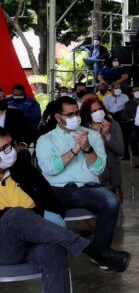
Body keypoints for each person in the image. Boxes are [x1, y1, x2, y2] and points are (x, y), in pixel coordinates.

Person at [0, 206, 130, 293]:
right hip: (6, 244)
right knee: (14, 215)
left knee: (52, 251)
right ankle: (96, 252)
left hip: (28, 236)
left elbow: (48, 202)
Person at [36, 97, 123, 263]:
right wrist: (75, 150)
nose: (75, 117)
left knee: (111, 201)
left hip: (86, 189)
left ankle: (99, 252)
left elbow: (98, 169)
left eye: (77, 113)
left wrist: (87, 148)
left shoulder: (92, 136)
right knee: (43, 210)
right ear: (57, 117)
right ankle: (96, 253)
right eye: (69, 115)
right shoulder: (45, 140)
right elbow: (50, 169)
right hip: (56, 190)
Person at [0, 126, 64, 226]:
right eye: (4, 149)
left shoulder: (22, 167)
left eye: (10, 145)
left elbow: (49, 197)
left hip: (39, 224)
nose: (11, 151)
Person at [80, 95, 124, 203]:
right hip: (91, 177)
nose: (98, 112)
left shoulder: (114, 125)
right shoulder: (83, 129)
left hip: (111, 176)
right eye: (93, 111)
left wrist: (107, 135)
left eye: (99, 109)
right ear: (88, 114)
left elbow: (121, 150)